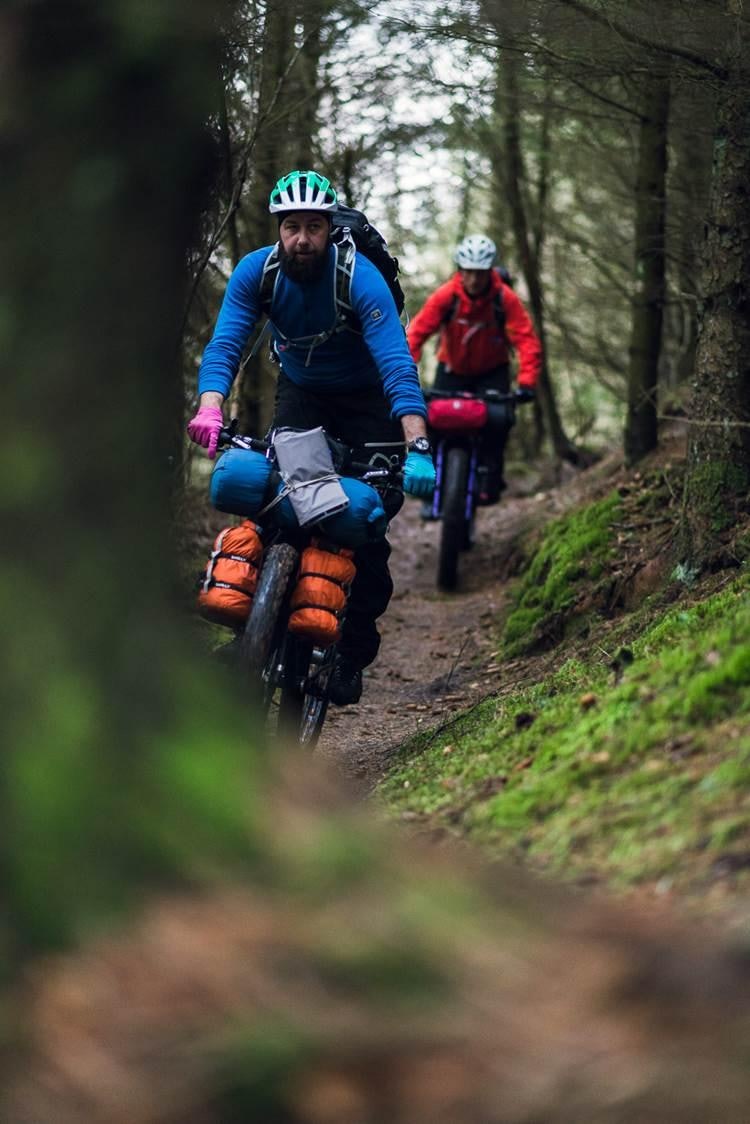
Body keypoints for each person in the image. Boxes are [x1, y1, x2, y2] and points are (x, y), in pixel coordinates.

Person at [187, 169, 435, 706]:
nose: (302, 239)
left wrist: (416, 445)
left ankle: (350, 655)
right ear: (278, 229)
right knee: (276, 503)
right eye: (292, 227)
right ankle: (255, 631)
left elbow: (397, 364)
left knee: (364, 527)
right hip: (302, 393)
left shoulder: (358, 276)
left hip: (370, 402)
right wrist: (210, 406)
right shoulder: (258, 273)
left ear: (330, 228)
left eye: (313, 227)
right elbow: (226, 344)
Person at [407, 234, 541, 505]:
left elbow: (526, 340)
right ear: (460, 269)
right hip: (451, 370)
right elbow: (417, 333)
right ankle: (429, 482)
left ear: (490, 270)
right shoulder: (447, 296)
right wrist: (405, 373)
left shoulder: (504, 298)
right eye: (468, 271)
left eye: (480, 272)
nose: (474, 279)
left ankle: (490, 478)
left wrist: (527, 382)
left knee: (499, 421)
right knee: (433, 420)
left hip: (492, 371)